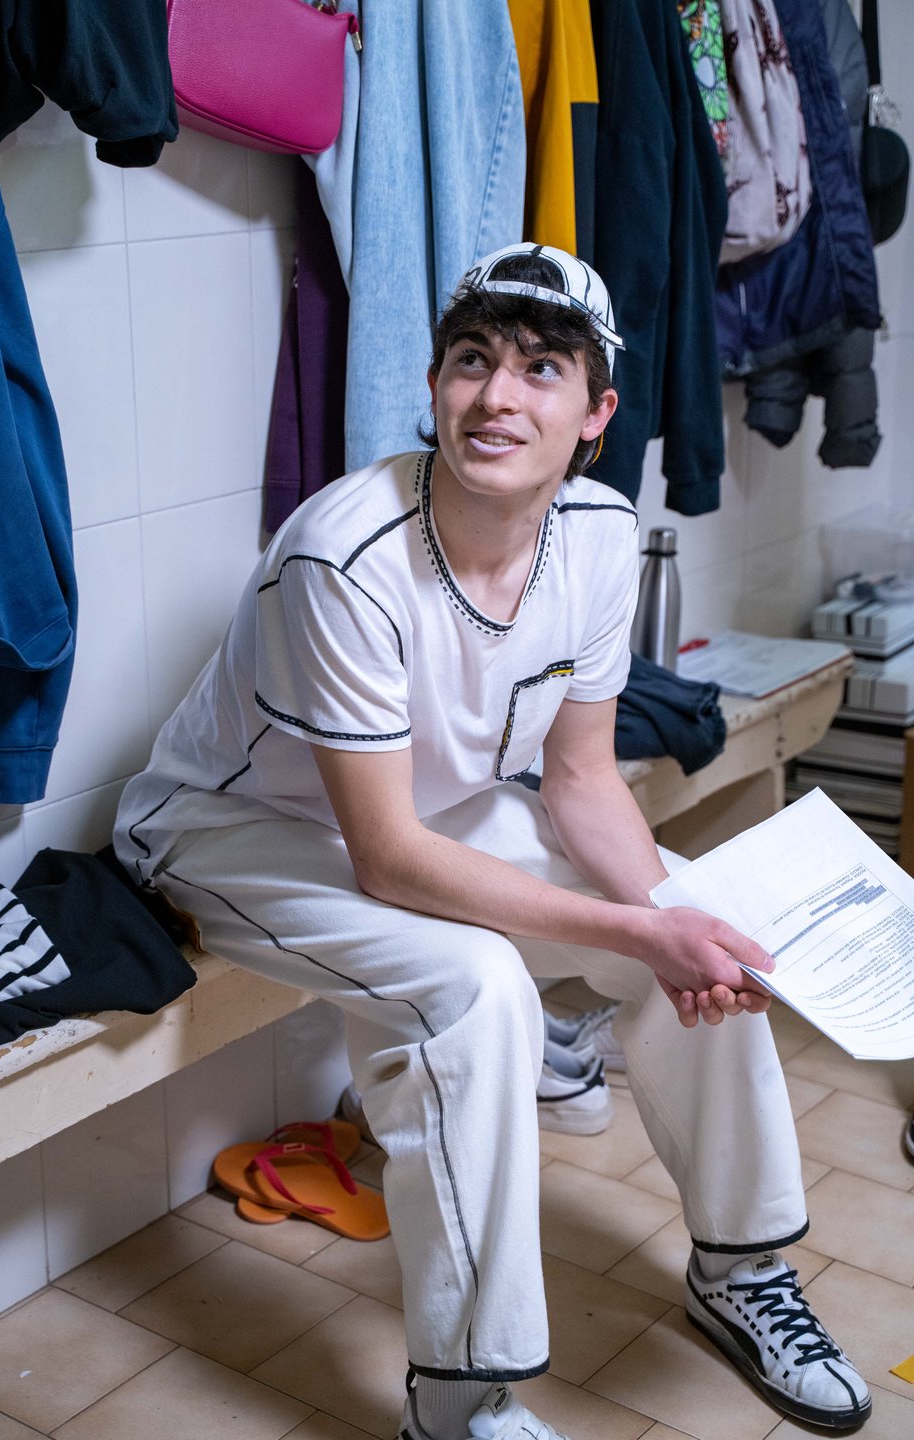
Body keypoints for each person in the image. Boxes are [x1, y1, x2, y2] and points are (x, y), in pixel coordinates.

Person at [114, 243, 870, 1437]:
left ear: (596, 415)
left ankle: (743, 1270)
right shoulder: (343, 555)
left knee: (701, 920)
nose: (497, 397)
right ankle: (463, 1401)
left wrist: (665, 923)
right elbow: (387, 860)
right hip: (229, 828)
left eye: (541, 369)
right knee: (476, 990)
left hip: (424, 810)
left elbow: (581, 781)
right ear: (434, 385)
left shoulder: (601, 536)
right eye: (472, 361)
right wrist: (636, 932)